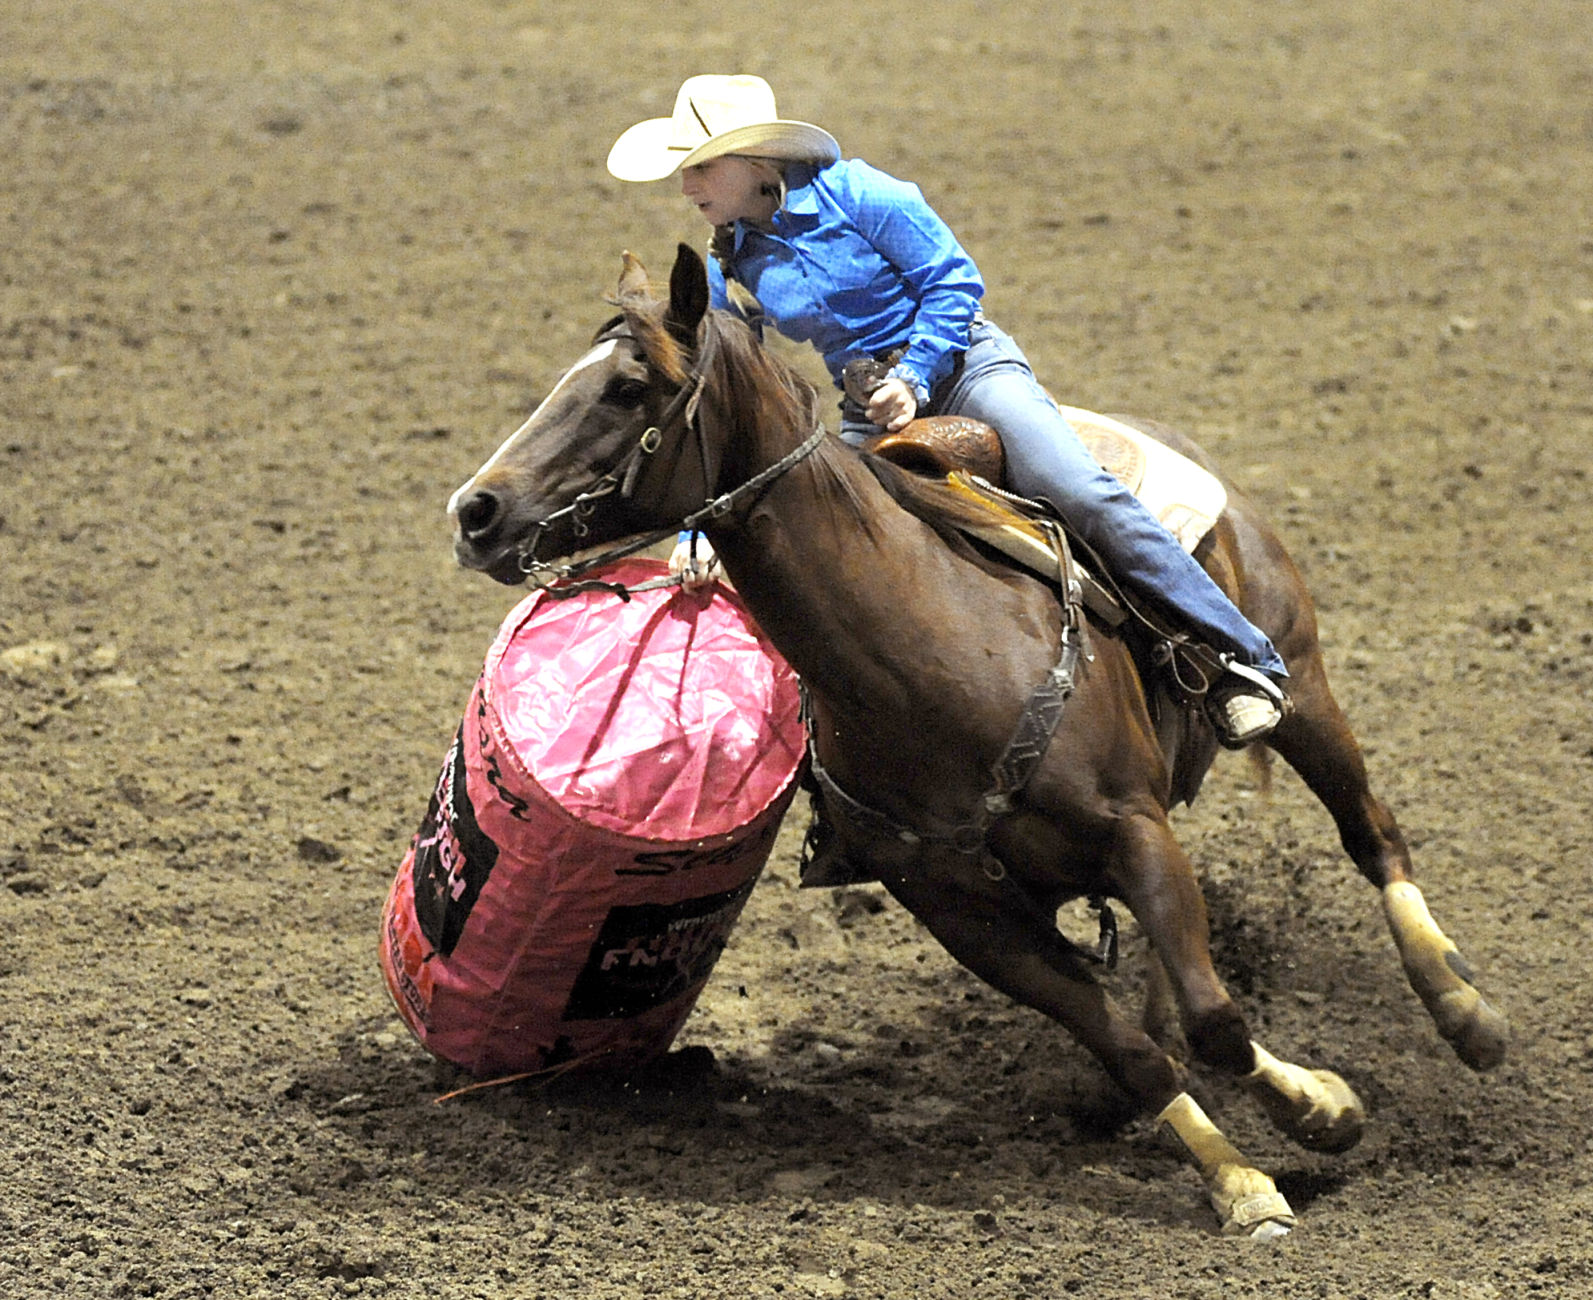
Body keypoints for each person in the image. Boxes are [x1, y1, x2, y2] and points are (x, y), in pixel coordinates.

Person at [606, 74, 1288, 747]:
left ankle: (1240, 659)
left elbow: (953, 281)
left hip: (967, 370)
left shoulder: (865, 195)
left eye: (700, 167)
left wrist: (913, 374)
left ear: (756, 162)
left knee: (1079, 491)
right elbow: (725, 390)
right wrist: (700, 529)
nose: (687, 186)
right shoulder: (729, 256)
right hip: (867, 404)